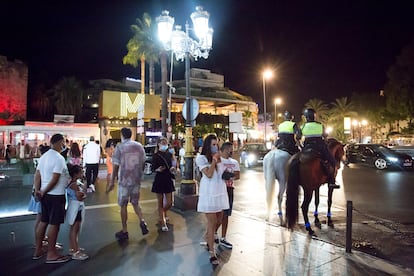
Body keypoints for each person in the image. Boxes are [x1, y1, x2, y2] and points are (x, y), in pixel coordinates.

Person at [32, 134, 71, 264]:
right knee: (54, 224)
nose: (64, 145)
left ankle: (38, 250)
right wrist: (43, 191)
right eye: (63, 143)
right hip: (56, 195)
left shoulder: (44, 157)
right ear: (60, 142)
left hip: (45, 196)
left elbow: (37, 175)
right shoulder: (58, 158)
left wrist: (38, 191)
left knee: (44, 221)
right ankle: (51, 253)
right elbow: (55, 179)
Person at [106, 128, 149, 240]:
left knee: (124, 205)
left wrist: (112, 182)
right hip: (136, 180)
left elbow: (115, 166)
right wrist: (139, 173)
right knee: (135, 203)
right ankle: (142, 221)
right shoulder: (139, 146)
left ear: (122, 135)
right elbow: (144, 161)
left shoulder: (119, 147)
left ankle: (125, 230)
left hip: (124, 181)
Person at [196, 133, 229, 265]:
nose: (216, 147)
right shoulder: (201, 158)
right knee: (212, 221)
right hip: (208, 192)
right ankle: (212, 252)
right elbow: (209, 174)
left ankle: (208, 237)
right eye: (213, 145)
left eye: (217, 144)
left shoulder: (219, 158)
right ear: (208, 146)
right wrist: (214, 161)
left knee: (219, 219)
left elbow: (220, 174)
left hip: (219, 190)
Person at [300, 108, 340, 189]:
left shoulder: (303, 126)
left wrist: (301, 145)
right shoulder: (320, 125)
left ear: (306, 117)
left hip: (307, 146)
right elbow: (325, 136)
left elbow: (298, 137)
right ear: (314, 116)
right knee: (332, 160)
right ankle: (332, 181)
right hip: (319, 146)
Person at [215, 142, 240, 249]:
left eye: (232, 149)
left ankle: (223, 237)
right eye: (230, 149)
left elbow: (237, 175)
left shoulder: (234, 162)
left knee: (226, 215)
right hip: (218, 190)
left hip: (229, 189)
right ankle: (213, 233)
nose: (231, 151)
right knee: (218, 216)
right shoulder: (218, 161)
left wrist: (230, 176)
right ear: (224, 150)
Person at [151, 137, 176, 232]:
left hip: (168, 178)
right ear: (158, 144)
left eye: (165, 142)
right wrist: (158, 169)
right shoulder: (156, 155)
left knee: (170, 203)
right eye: (162, 142)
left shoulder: (169, 154)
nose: (164, 144)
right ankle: (163, 221)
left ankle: (162, 213)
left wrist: (173, 169)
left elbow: (173, 165)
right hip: (159, 179)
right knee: (160, 202)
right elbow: (153, 168)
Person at [66, 164, 88, 260]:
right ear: (75, 174)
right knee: (75, 230)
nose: (82, 173)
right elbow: (81, 196)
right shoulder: (74, 185)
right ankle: (76, 251)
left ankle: (73, 248)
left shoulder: (73, 183)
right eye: (81, 172)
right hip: (76, 209)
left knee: (73, 229)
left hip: (75, 208)